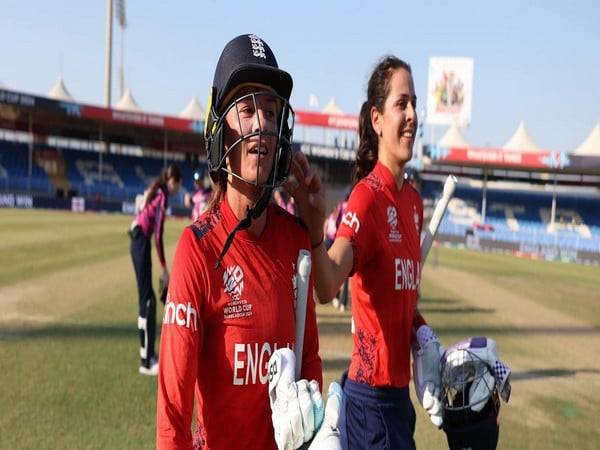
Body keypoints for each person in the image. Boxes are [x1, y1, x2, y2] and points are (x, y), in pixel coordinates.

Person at [156, 34, 323, 450]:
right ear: (219, 130)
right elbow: (173, 408)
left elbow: (310, 362)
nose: (262, 125)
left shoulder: (297, 240)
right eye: (246, 110)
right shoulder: (199, 250)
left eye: (270, 111)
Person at [288, 56, 444, 449]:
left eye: (414, 104)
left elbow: (402, 297)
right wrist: (313, 227)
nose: (412, 115)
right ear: (377, 119)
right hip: (370, 403)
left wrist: (420, 330)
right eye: (401, 104)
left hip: (398, 402)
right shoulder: (366, 199)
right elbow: (326, 285)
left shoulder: (413, 202)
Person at [129, 164, 182, 376]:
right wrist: (165, 268)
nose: (178, 189)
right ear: (173, 181)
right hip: (141, 241)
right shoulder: (163, 195)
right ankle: (147, 360)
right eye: (178, 184)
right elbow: (158, 235)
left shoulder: (157, 191)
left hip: (138, 240)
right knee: (148, 301)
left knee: (147, 299)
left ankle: (147, 356)